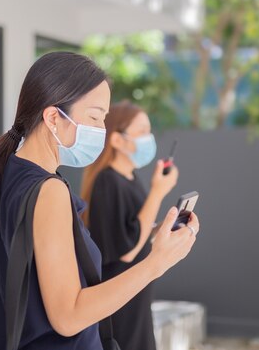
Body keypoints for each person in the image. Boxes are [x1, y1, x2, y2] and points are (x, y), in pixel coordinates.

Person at [0, 52, 199, 350]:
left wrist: (23, 294)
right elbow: (68, 318)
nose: (101, 129)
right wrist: (156, 263)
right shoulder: (50, 191)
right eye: (95, 117)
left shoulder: (2, 171)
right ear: (54, 117)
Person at [80, 100, 179, 350]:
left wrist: (162, 228)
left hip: (136, 295)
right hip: (119, 298)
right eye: (142, 132)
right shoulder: (107, 181)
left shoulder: (131, 178)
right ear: (116, 140)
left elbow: (136, 230)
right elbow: (127, 249)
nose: (149, 138)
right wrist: (158, 192)